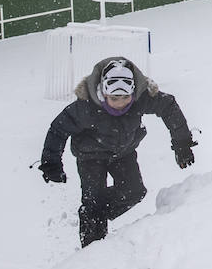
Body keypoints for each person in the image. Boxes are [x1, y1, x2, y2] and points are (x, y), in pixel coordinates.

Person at [39, 56, 197, 246]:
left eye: (125, 98)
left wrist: (182, 143)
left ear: (133, 93)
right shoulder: (86, 106)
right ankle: (90, 250)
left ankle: (96, 215)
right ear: (103, 93)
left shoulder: (141, 98)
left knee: (134, 192)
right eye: (114, 98)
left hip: (124, 153)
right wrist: (51, 163)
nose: (120, 103)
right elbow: (59, 129)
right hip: (90, 157)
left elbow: (168, 107)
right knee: (93, 202)